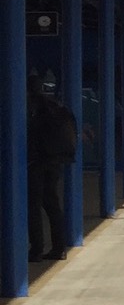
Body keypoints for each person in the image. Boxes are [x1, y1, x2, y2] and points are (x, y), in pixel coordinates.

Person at [27, 76, 77, 263]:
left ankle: (36, 250)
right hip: (55, 162)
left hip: (36, 163)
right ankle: (58, 248)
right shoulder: (57, 106)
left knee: (33, 207)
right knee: (52, 205)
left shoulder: (31, 108)